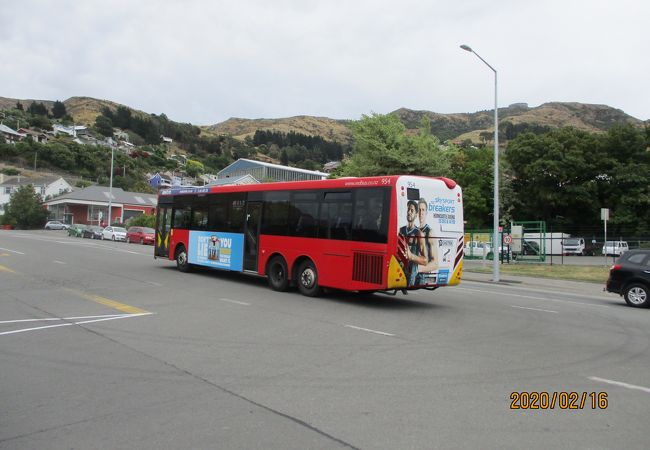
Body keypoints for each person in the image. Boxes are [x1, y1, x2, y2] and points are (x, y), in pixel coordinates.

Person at [399, 200, 427, 286]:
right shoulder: (400, 230)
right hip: (399, 271)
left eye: (412, 210)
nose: (409, 212)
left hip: (411, 275)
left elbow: (425, 260)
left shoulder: (419, 233)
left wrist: (411, 256)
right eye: (408, 210)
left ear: (416, 214)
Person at [416, 197, 438, 284]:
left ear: (426, 212)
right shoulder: (415, 230)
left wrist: (417, 269)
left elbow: (435, 263)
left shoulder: (430, 232)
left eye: (423, 210)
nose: (421, 213)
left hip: (421, 275)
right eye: (419, 210)